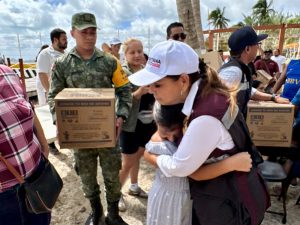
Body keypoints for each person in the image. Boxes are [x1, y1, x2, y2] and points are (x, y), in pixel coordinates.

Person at [129, 40, 270, 225]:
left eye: (157, 85)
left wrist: (150, 156)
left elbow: (180, 168)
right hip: (232, 195)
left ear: (183, 80)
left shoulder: (205, 118)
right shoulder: (206, 91)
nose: (151, 91)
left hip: (231, 206)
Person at [47, 12, 131, 225]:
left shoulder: (109, 62)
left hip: (107, 132)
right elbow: (53, 96)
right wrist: (59, 121)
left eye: (93, 31)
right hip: (80, 136)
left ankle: (113, 214)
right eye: (84, 32)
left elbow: (124, 90)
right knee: (86, 177)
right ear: (73, 32)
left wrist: (121, 116)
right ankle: (97, 212)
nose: (89, 36)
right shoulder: (62, 64)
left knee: (112, 175)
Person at [146, 102, 253, 225]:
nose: (170, 139)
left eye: (175, 132)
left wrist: (150, 157)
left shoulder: (194, 134)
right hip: (168, 198)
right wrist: (232, 164)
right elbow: (188, 171)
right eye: (165, 135)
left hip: (186, 198)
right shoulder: (158, 142)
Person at [0, 65, 50, 225]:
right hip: (4, 193)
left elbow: (29, 107)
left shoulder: (7, 72)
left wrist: (44, 145)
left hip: (36, 175)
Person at [118, 38, 156, 212]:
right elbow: (119, 101)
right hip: (129, 126)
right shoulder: (122, 73)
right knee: (127, 162)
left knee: (137, 156)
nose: (137, 55)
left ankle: (134, 186)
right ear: (125, 55)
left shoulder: (147, 70)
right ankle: (115, 194)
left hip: (146, 124)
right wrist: (139, 93)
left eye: (140, 51)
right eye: (132, 52)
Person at [219, 26, 289, 118]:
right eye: (257, 44)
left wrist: (273, 97)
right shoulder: (233, 72)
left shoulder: (239, 67)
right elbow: (217, 104)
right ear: (247, 49)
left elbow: (248, 90)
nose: (258, 48)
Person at [36, 28, 67, 155]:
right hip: (47, 91)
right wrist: (50, 94)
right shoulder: (45, 54)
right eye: (64, 39)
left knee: (60, 117)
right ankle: (50, 144)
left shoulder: (65, 54)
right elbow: (43, 75)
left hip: (62, 92)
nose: (66, 42)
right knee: (47, 118)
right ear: (55, 40)